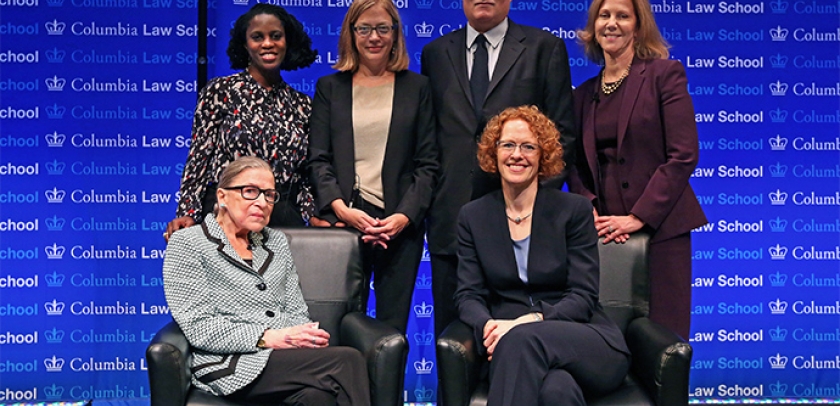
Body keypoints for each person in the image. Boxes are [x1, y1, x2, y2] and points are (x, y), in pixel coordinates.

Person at [420, 0, 577, 337]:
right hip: (451, 218)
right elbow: (428, 141)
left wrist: (534, 207)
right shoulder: (434, 53)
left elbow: (561, 137)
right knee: (454, 341)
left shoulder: (543, 48)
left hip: (527, 228)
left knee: (524, 335)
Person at [455, 106, 629, 405]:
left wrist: (529, 321)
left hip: (585, 340)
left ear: (543, 155)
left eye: (528, 147)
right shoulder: (473, 216)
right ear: (493, 153)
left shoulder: (573, 211)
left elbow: (583, 296)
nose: (516, 154)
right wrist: (488, 326)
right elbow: (468, 295)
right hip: (510, 347)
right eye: (507, 144)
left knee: (522, 339)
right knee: (556, 391)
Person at [162, 156, 370, 405]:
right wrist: (268, 337)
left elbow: (296, 311)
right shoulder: (188, 243)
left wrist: (300, 338)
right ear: (222, 197)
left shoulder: (276, 242)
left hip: (282, 358)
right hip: (228, 363)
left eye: (269, 195)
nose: (262, 202)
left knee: (318, 398)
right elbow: (199, 326)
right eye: (250, 191)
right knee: (347, 361)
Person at [569, 0, 708, 339]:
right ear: (593, 27)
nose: (611, 24)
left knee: (664, 338)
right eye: (604, 16)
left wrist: (639, 216)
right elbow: (573, 161)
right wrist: (587, 207)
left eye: (622, 16)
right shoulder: (584, 94)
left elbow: (683, 154)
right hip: (604, 232)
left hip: (661, 228)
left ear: (638, 26)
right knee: (607, 337)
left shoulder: (664, 74)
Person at [308, 0, 438, 334]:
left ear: (396, 34)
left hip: (399, 225)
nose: (373, 37)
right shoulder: (330, 88)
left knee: (391, 332)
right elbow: (319, 159)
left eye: (383, 28)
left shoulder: (418, 88)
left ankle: (387, 390)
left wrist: (403, 217)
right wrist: (340, 209)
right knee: (340, 327)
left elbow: (428, 164)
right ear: (350, 34)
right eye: (363, 28)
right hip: (344, 225)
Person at [164, 4, 322, 242]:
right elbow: (198, 160)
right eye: (257, 37)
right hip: (227, 216)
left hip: (282, 219)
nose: (267, 43)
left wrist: (313, 215)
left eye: (275, 36)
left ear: (287, 42)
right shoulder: (220, 91)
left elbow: (305, 177)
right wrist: (187, 213)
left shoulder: (303, 105)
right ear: (245, 45)